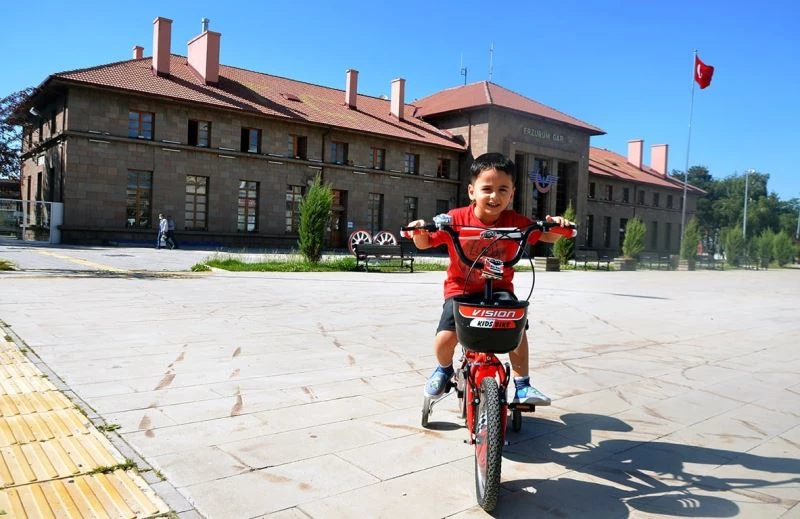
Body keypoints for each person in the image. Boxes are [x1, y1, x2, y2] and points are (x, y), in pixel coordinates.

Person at [402, 152, 574, 406]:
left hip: (500, 289)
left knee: (517, 329)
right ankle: (443, 368)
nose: (494, 196)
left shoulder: (516, 222)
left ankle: (523, 384)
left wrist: (557, 226)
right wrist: (418, 230)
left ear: (512, 193)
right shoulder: (456, 219)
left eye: (503, 189)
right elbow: (425, 241)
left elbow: (546, 236)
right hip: (461, 289)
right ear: (472, 191)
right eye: (487, 189)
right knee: (445, 338)